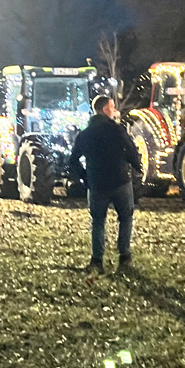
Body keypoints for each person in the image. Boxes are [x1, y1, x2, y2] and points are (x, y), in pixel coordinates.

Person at [67, 94, 142, 274]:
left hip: (97, 184)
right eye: (112, 107)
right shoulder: (117, 130)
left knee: (98, 221)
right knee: (126, 218)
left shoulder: (85, 134)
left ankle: (97, 260)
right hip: (120, 181)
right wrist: (136, 166)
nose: (115, 110)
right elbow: (131, 149)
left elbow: (73, 161)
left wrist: (86, 178)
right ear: (104, 109)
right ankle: (124, 257)